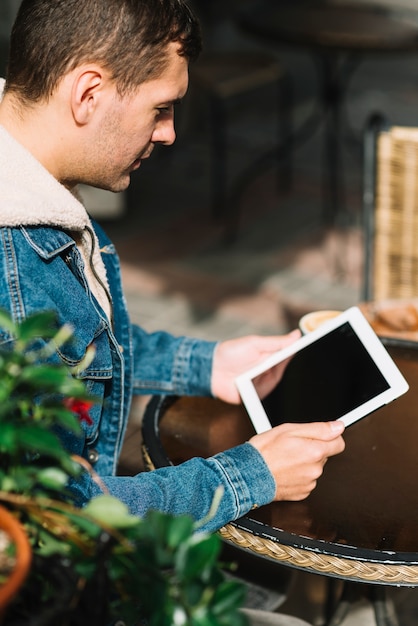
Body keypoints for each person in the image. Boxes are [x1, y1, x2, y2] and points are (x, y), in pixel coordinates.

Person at [0, 1, 345, 623]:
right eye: (161, 107)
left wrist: (207, 362)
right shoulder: (13, 263)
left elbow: (73, 347)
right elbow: (60, 516)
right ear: (88, 92)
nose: (170, 133)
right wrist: (254, 473)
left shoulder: (29, 190)